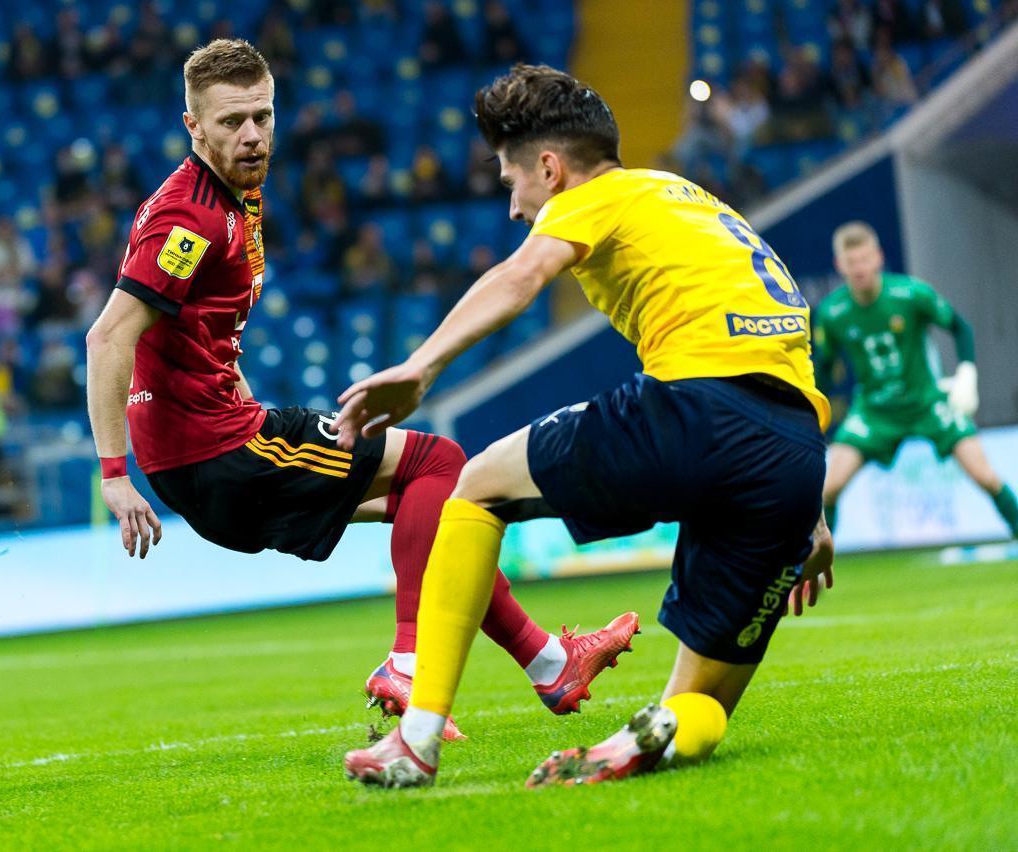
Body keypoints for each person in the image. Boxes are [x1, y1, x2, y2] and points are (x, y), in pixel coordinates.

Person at [85, 41, 637, 741]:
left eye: (262, 116)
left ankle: (551, 663)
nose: (251, 135)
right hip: (216, 451)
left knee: (442, 508)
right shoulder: (188, 219)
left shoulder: (231, 197)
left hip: (209, 446)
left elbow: (197, 334)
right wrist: (114, 476)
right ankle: (410, 662)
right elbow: (108, 337)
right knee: (438, 461)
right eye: (230, 122)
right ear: (193, 127)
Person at [338, 64, 836, 788]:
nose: (516, 209)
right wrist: (809, 513)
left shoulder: (594, 195)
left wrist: (421, 367)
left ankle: (415, 742)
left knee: (475, 486)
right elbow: (781, 352)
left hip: (698, 408)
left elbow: (518, 277)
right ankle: (652, 735)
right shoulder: (694, 202)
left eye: (512, 181)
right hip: (791, 453)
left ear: (549, 168)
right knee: (700, 701)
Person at [816, 222, 1018, 539]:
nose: (859, 268)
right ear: (839, 265)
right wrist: (816, 416)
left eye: (864, 259)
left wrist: (967, 374)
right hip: (875, 411)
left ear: (878, 257)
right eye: (851, 262)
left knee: (985, 475)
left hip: (926, 402)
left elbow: (960, 327)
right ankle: (818, 562)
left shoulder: (911, 294)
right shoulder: (832, 313)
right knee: (829, 488)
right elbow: (825, 367)